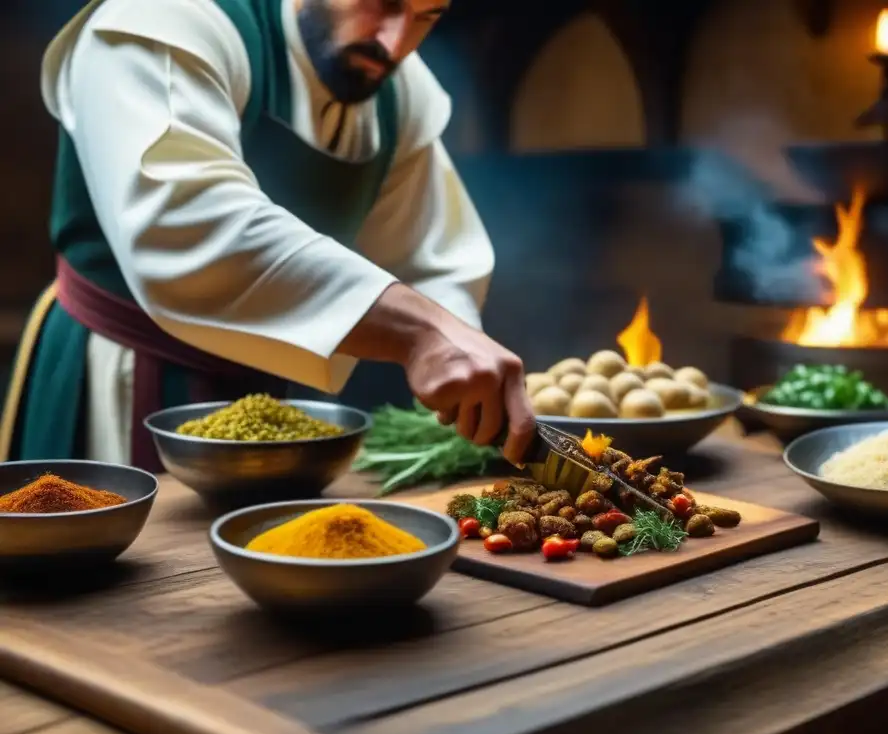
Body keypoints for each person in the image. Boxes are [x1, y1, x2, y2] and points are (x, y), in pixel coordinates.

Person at [0, 0, 535, 471]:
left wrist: (460, 350)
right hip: (121, 369)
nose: (397, 43)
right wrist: (422, 331)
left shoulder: (400, 89)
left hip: (272, 398)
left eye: (427, 17)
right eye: (384, 2)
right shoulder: (167, 17)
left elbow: (434, 254)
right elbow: (195, 221)